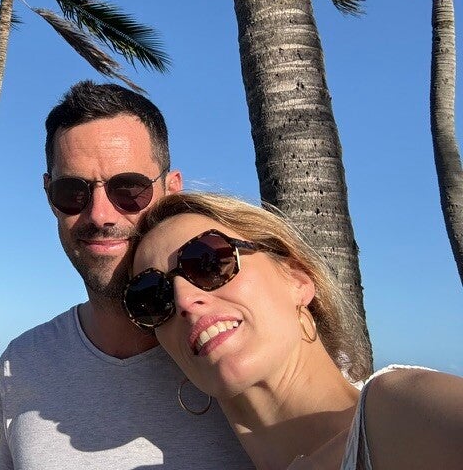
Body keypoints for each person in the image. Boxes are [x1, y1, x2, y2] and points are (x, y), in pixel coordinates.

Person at [0, 81, 253, 469]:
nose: (100, 215)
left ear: (172, 191)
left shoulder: (244, 349)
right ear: (49, 195)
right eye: (73, 192)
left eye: (128, 189)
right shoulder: (22, 365)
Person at [124, 191, 463, 469]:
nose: (183, 299)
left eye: (207, 261)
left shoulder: (399, 415)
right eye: (152, 297)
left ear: (298, 279)